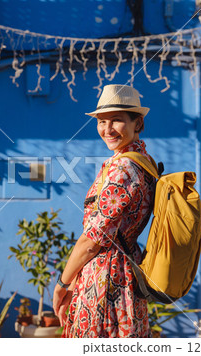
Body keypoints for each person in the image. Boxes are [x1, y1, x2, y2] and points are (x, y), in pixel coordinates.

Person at [53, 84, 155, 338]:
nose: (107, 129)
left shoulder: (122, 170)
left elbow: (91, 241)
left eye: (117, 121)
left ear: (138, 124)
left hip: (106, 282)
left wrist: (62, 283)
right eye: (101, 121)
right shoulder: (145, 162)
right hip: (125, 273)